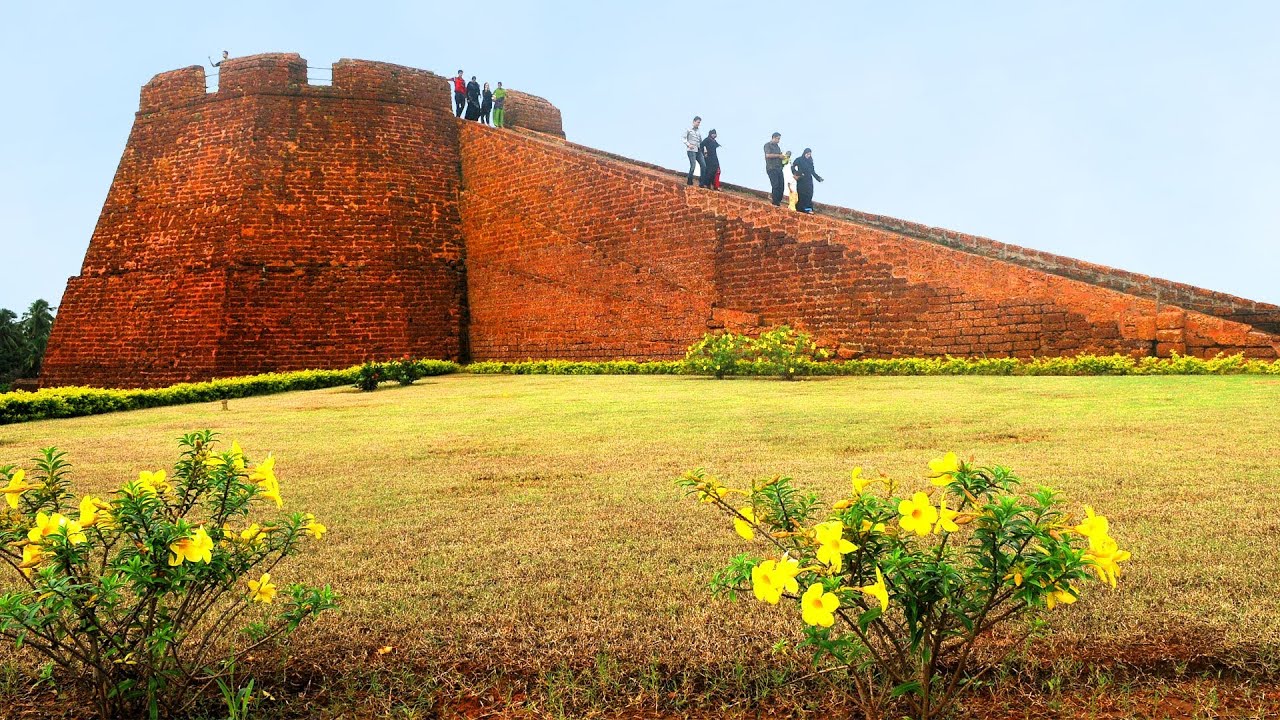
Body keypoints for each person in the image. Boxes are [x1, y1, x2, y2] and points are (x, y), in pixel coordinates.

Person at [791, 148, 825, 213]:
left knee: (809, 193)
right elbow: (792, 166)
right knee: (801, 193)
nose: (808, 155)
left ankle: (808, 208)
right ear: (804, 153)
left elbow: (812, 171)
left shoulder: (810, 161)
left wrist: (818, 178)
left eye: (809, 154)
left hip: (808, 179)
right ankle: (801, 208)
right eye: (807, 154)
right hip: (801, 179)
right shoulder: (799, 159)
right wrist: (796, 173)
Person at [763, 132, 787, 205]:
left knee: (781, 185)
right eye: (778, 139)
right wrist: (778, 156)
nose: (778, 140)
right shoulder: (767, 145)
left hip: (779, 168)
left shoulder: (777, 147)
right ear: (773, 137)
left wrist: (784, 160)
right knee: (775, 185)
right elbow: (767, 155)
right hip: (771, 168)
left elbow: (779, 157)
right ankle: (775, 202)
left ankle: (778, 201)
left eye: (779, 139)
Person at [682, 116, 704, 186]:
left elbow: (701, 141)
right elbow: (684, 138)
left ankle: (701, 183)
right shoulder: (688, 129)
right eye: (698, 122)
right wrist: (688, 145)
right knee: (693, 165)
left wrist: (704, 149)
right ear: (694, 122)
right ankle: (689, 181)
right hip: (691, 150)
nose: (698, 124)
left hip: (698, 150)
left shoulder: (698, 132)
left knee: (703, 165)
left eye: (699, 123)